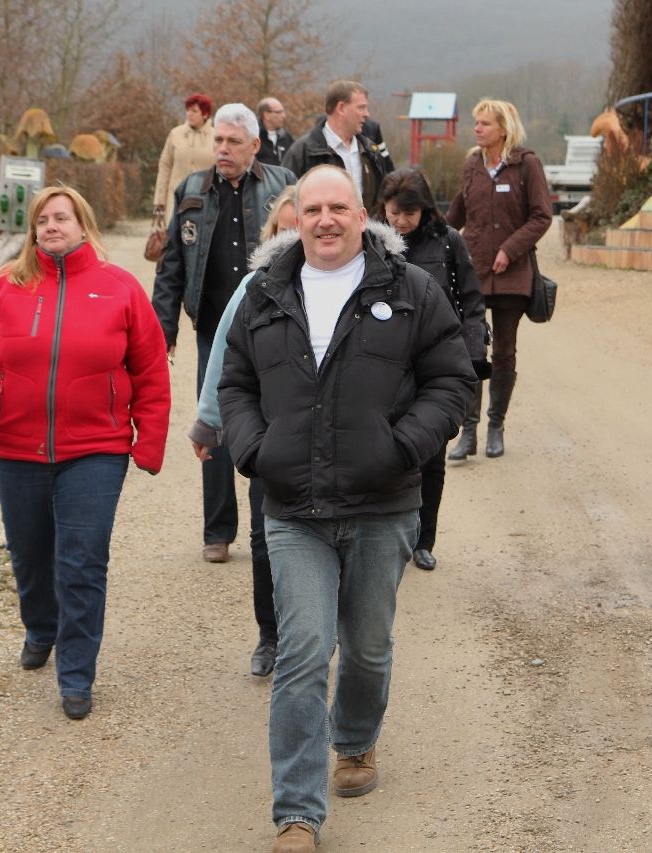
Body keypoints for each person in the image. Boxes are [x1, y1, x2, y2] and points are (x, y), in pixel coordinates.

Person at [217, 166, 475, 853]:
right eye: (313, 209)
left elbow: (452, 380)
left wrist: (403, 446)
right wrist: (256, 450)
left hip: (382, 502)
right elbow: (235, 382)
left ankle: (356, 739)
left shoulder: (411, 289)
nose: (325, 220)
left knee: (366, 644)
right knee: (303, 650)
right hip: (293, 506)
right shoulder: (264, 292)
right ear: (296, 218)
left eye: (339, 207)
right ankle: (297, 812)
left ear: (363, 216)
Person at [0, 185, 171, 720]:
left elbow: (149, 368)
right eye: (42, 220)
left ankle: (76, 674)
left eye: (62, 218)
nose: (51, 226)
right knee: (30, 554)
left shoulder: (119, 288)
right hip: (15, 448)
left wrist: (149, 440)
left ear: (83, 225)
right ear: (33, 231)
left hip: (95, 449)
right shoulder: (6, 287)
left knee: (82, 561)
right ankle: (40, 627)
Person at [153, 103, 296, 563]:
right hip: (213, 327)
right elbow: (171, 264)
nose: (223, 149)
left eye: (233, 142)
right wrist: (164, 326)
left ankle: (269, 526)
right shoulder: (192, 189)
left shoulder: (282, 184)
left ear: (255, 145)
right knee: (212, 423)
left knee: (268, 423)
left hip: (270, 327)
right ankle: (217, 531)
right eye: (218, 140)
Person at [189, 186, 297, 676]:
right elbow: (222, 357)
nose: (292, 239)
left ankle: (318, 630)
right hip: (271, 438)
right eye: (283, 230)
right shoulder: (254, 287)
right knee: (264, 538)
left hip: (330, 437)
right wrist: (209, 422)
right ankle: (270, 635)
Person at [374, 169, 489, 572]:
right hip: (385, 363)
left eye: (410, 212)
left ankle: (424, 539)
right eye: (394, 212)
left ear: (425, 209)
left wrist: (471, 356)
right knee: (384, 450)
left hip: (435, 362)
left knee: (431, 457)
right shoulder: (372, 242)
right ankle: (387, 537)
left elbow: (472, 302)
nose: (401, 221)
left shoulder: (448, 242)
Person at [445, 98, 552, 460]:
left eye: (485, 123)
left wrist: (510, 249)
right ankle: (468, 431)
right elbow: (457, 214)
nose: (477, 129)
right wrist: (429, 236)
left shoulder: (527, 164)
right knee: (471, 350)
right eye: (476, 123)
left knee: (504, 351)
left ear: (504, 129)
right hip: (473, 273)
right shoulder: (472, 165)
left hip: (512, 274)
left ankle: (496, 426)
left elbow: (541, 216)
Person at [281, 80, 391, 211]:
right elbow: (284, 201)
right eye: (361, 107)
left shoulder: (371, 150)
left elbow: (382, 200)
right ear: (341, 108)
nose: (367, 114)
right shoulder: (302, 151)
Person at [152, 93, 215, 219]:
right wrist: (160, 200)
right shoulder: (175, 134)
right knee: (174, 230)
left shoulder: (217, 136)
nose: (189, 114)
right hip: (176, 197)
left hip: (206, 198)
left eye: (194, 111)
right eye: (187, 110)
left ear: (205, 114)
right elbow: (165, 166)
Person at [256, 97, 295, 167]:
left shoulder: (287, 139)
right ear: (266, 115)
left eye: (283, 112)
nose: (284, 116)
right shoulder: (254, 138)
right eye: (279, 112)